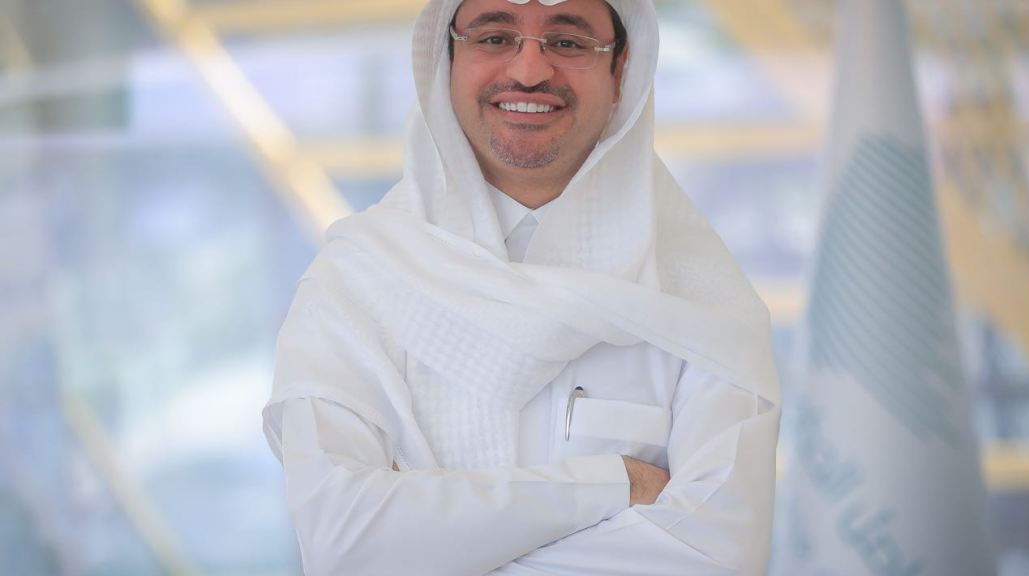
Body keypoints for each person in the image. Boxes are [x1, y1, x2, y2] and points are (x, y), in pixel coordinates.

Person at [262, 0, 781, 574]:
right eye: (494, 37)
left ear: (621, 69)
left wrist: (427, 538)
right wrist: (616, 483)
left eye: (568, 42)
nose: (530, 71)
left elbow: (714, 558)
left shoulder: (701, 304)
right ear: (446, 59)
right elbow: (344, 541)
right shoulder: (356, 280)